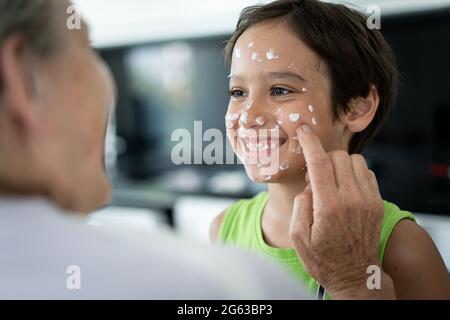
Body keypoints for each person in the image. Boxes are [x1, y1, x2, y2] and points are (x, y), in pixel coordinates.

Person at [0, 0, 310, 299]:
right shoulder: (227, 283)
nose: (249, 117)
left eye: (280, 90)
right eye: (86, 49)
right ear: (22, 82)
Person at [211, 0, 450, 299]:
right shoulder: (223, 229)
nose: (248, 116)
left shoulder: (403, 248)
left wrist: (353, 282)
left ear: (357, 107)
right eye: (238, 92)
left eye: (280, 90)